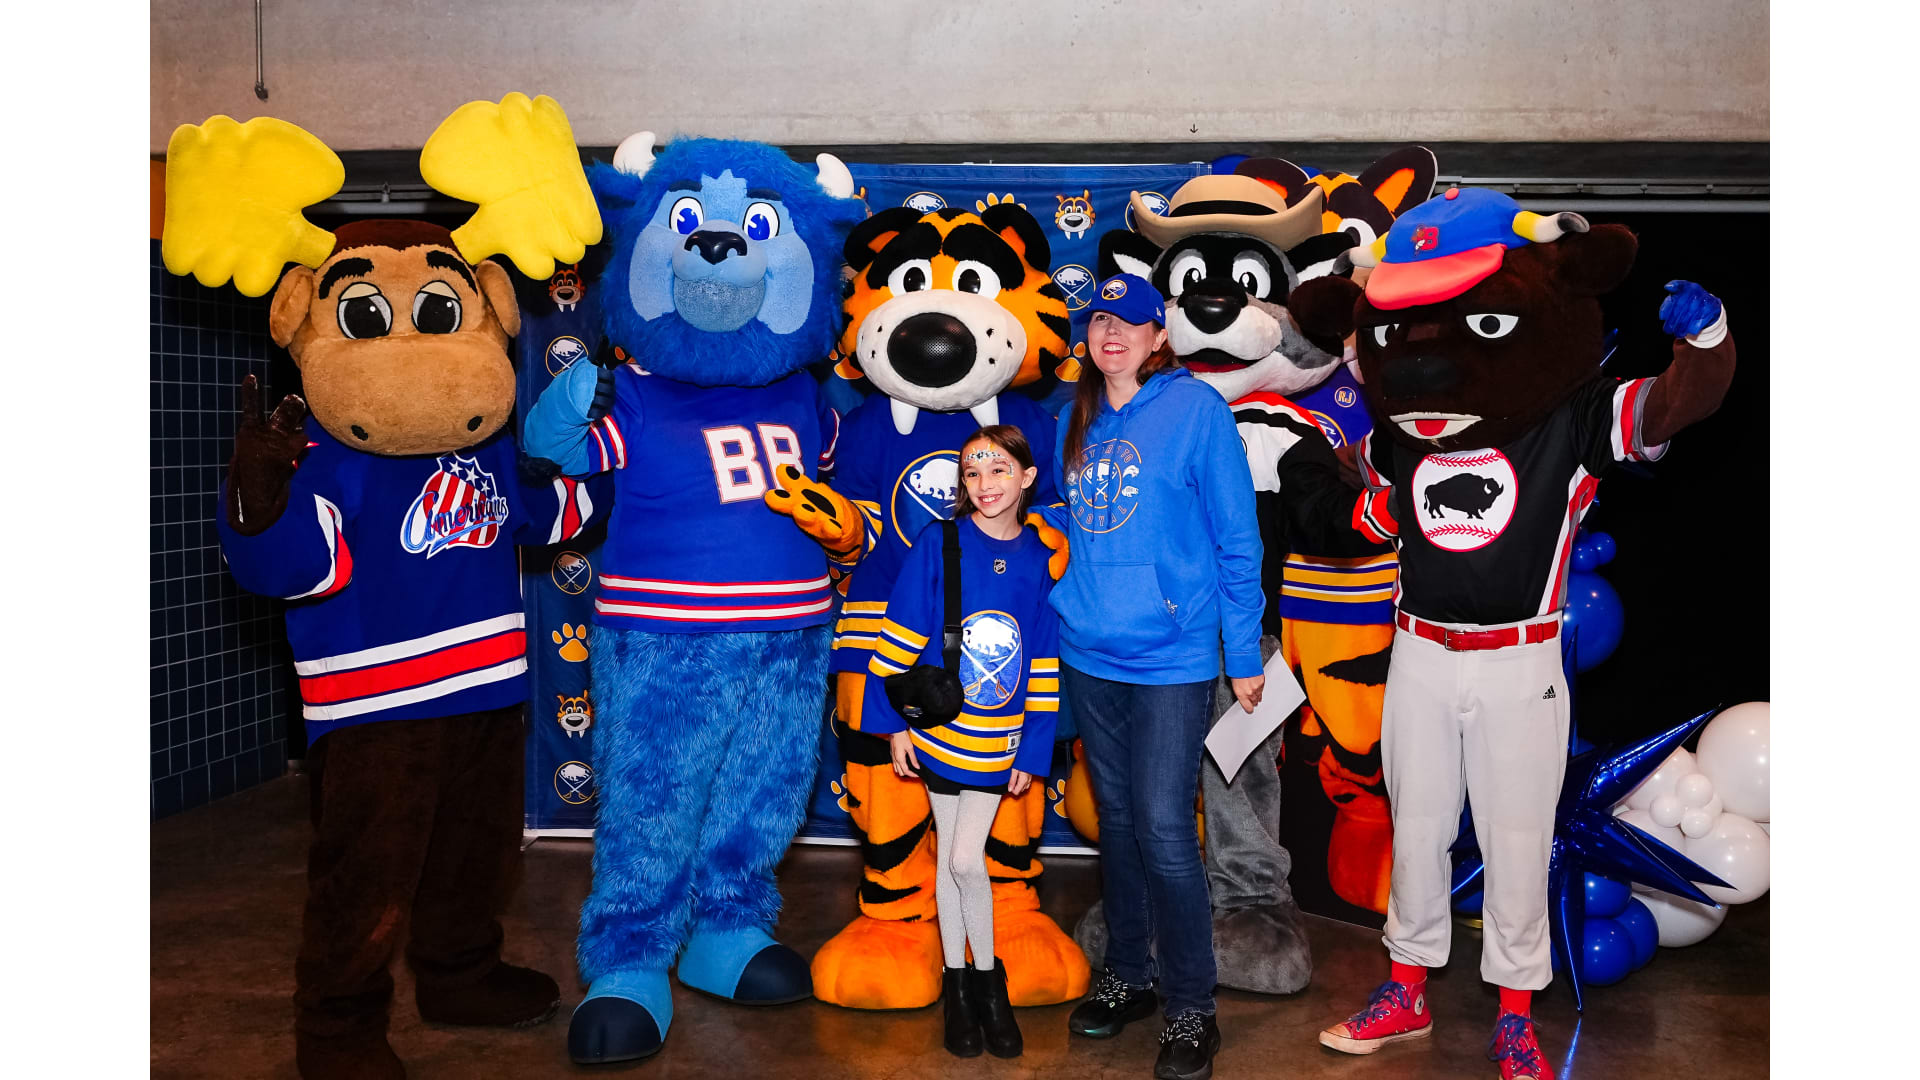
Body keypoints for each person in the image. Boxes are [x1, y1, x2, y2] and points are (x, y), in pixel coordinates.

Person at [1051, 274, 1266, 1080]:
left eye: (1130, 322)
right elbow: (1062, 524)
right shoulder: (1071, 416)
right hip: (1089, 651)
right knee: (1117, 822)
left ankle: (1191, 1008)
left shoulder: (1197, 410)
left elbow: (1238, 539)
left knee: (1166, 830)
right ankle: (1128, 978)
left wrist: (1242, 654)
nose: (1112, 334)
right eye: (1100, 321)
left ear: (1158, 336)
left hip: (1173, 655)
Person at [861, 425, 1063, 1059]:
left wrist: (1033, 751)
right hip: (937, 732)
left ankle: (988, 982)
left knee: (964, 861)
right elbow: (899, 631)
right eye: (973, 473)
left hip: (999, 740)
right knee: (955, 860)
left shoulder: (1038, 556)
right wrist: (894, 722)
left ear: (1027, 477)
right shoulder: (939, 541)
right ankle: (962, 989)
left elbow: (1044, 659)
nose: (985, 485)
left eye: (999, 470)